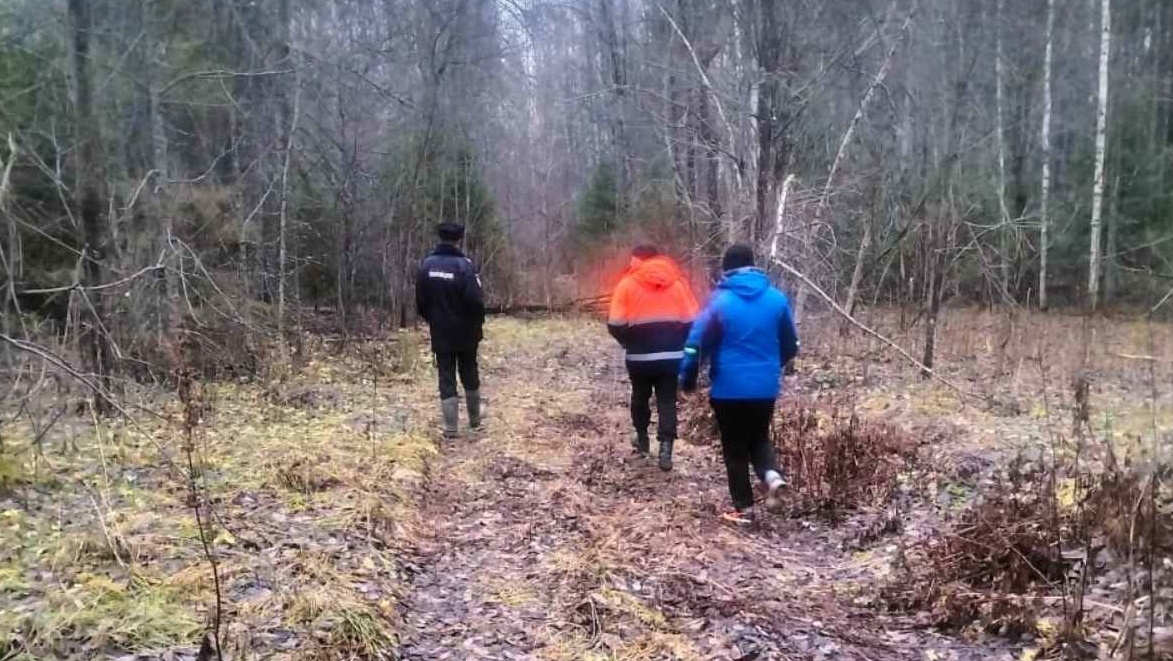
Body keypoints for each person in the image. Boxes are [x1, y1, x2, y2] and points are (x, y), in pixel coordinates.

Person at [678, 243, 799, 525]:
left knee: (734, 446)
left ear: (726, 269)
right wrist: (772, 366)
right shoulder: (777, 299)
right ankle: (772, 476)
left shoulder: (719, 301)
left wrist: (688, 376)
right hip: (765, 387)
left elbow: (695, 343)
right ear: (753, 264)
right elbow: (792, 344)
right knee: (759, 437)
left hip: (728, 388)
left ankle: (743, 508)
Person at [607, 244, 700, 471]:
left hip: (639, 356)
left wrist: (628, 341)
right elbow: (693, 321)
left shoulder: (627, 284)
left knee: (640, 395)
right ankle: (666, 448)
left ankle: (642, 438)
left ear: (638, 259)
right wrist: (679, 341)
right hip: (672, 356)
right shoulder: (678, 284)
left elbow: (615, 323)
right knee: (667, 399)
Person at [416, 222, 486, 438]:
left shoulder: (427, 266)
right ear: (459, 239)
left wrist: (435, 320)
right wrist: (477, 323)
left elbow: (421, 302)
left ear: (440, 237)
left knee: (446, 376)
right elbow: (476, 300)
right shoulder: (465, 266)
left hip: (441, 331)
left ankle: (450, 428)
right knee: (469, 372)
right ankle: (475, 422)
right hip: (466, 332)